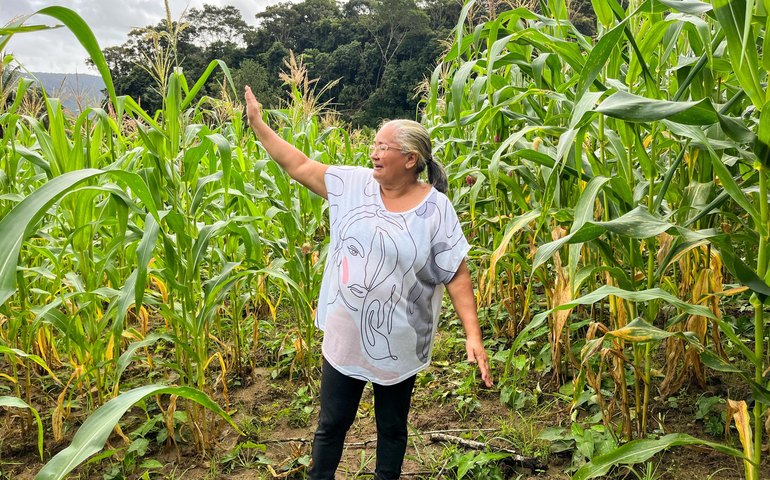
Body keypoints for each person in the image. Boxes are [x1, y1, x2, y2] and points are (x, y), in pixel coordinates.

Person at [244, 86, 493, 480]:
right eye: (374, 145)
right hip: (346, 334)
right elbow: (300, 164)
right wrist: (259, 124)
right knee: (331, 425)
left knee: (392, 428)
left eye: (383, 146)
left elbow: (455, 272)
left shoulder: (436, 208)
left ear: (410, 159)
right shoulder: (352, 185)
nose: (373, 153)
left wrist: (473, 335)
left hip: (400, 340)